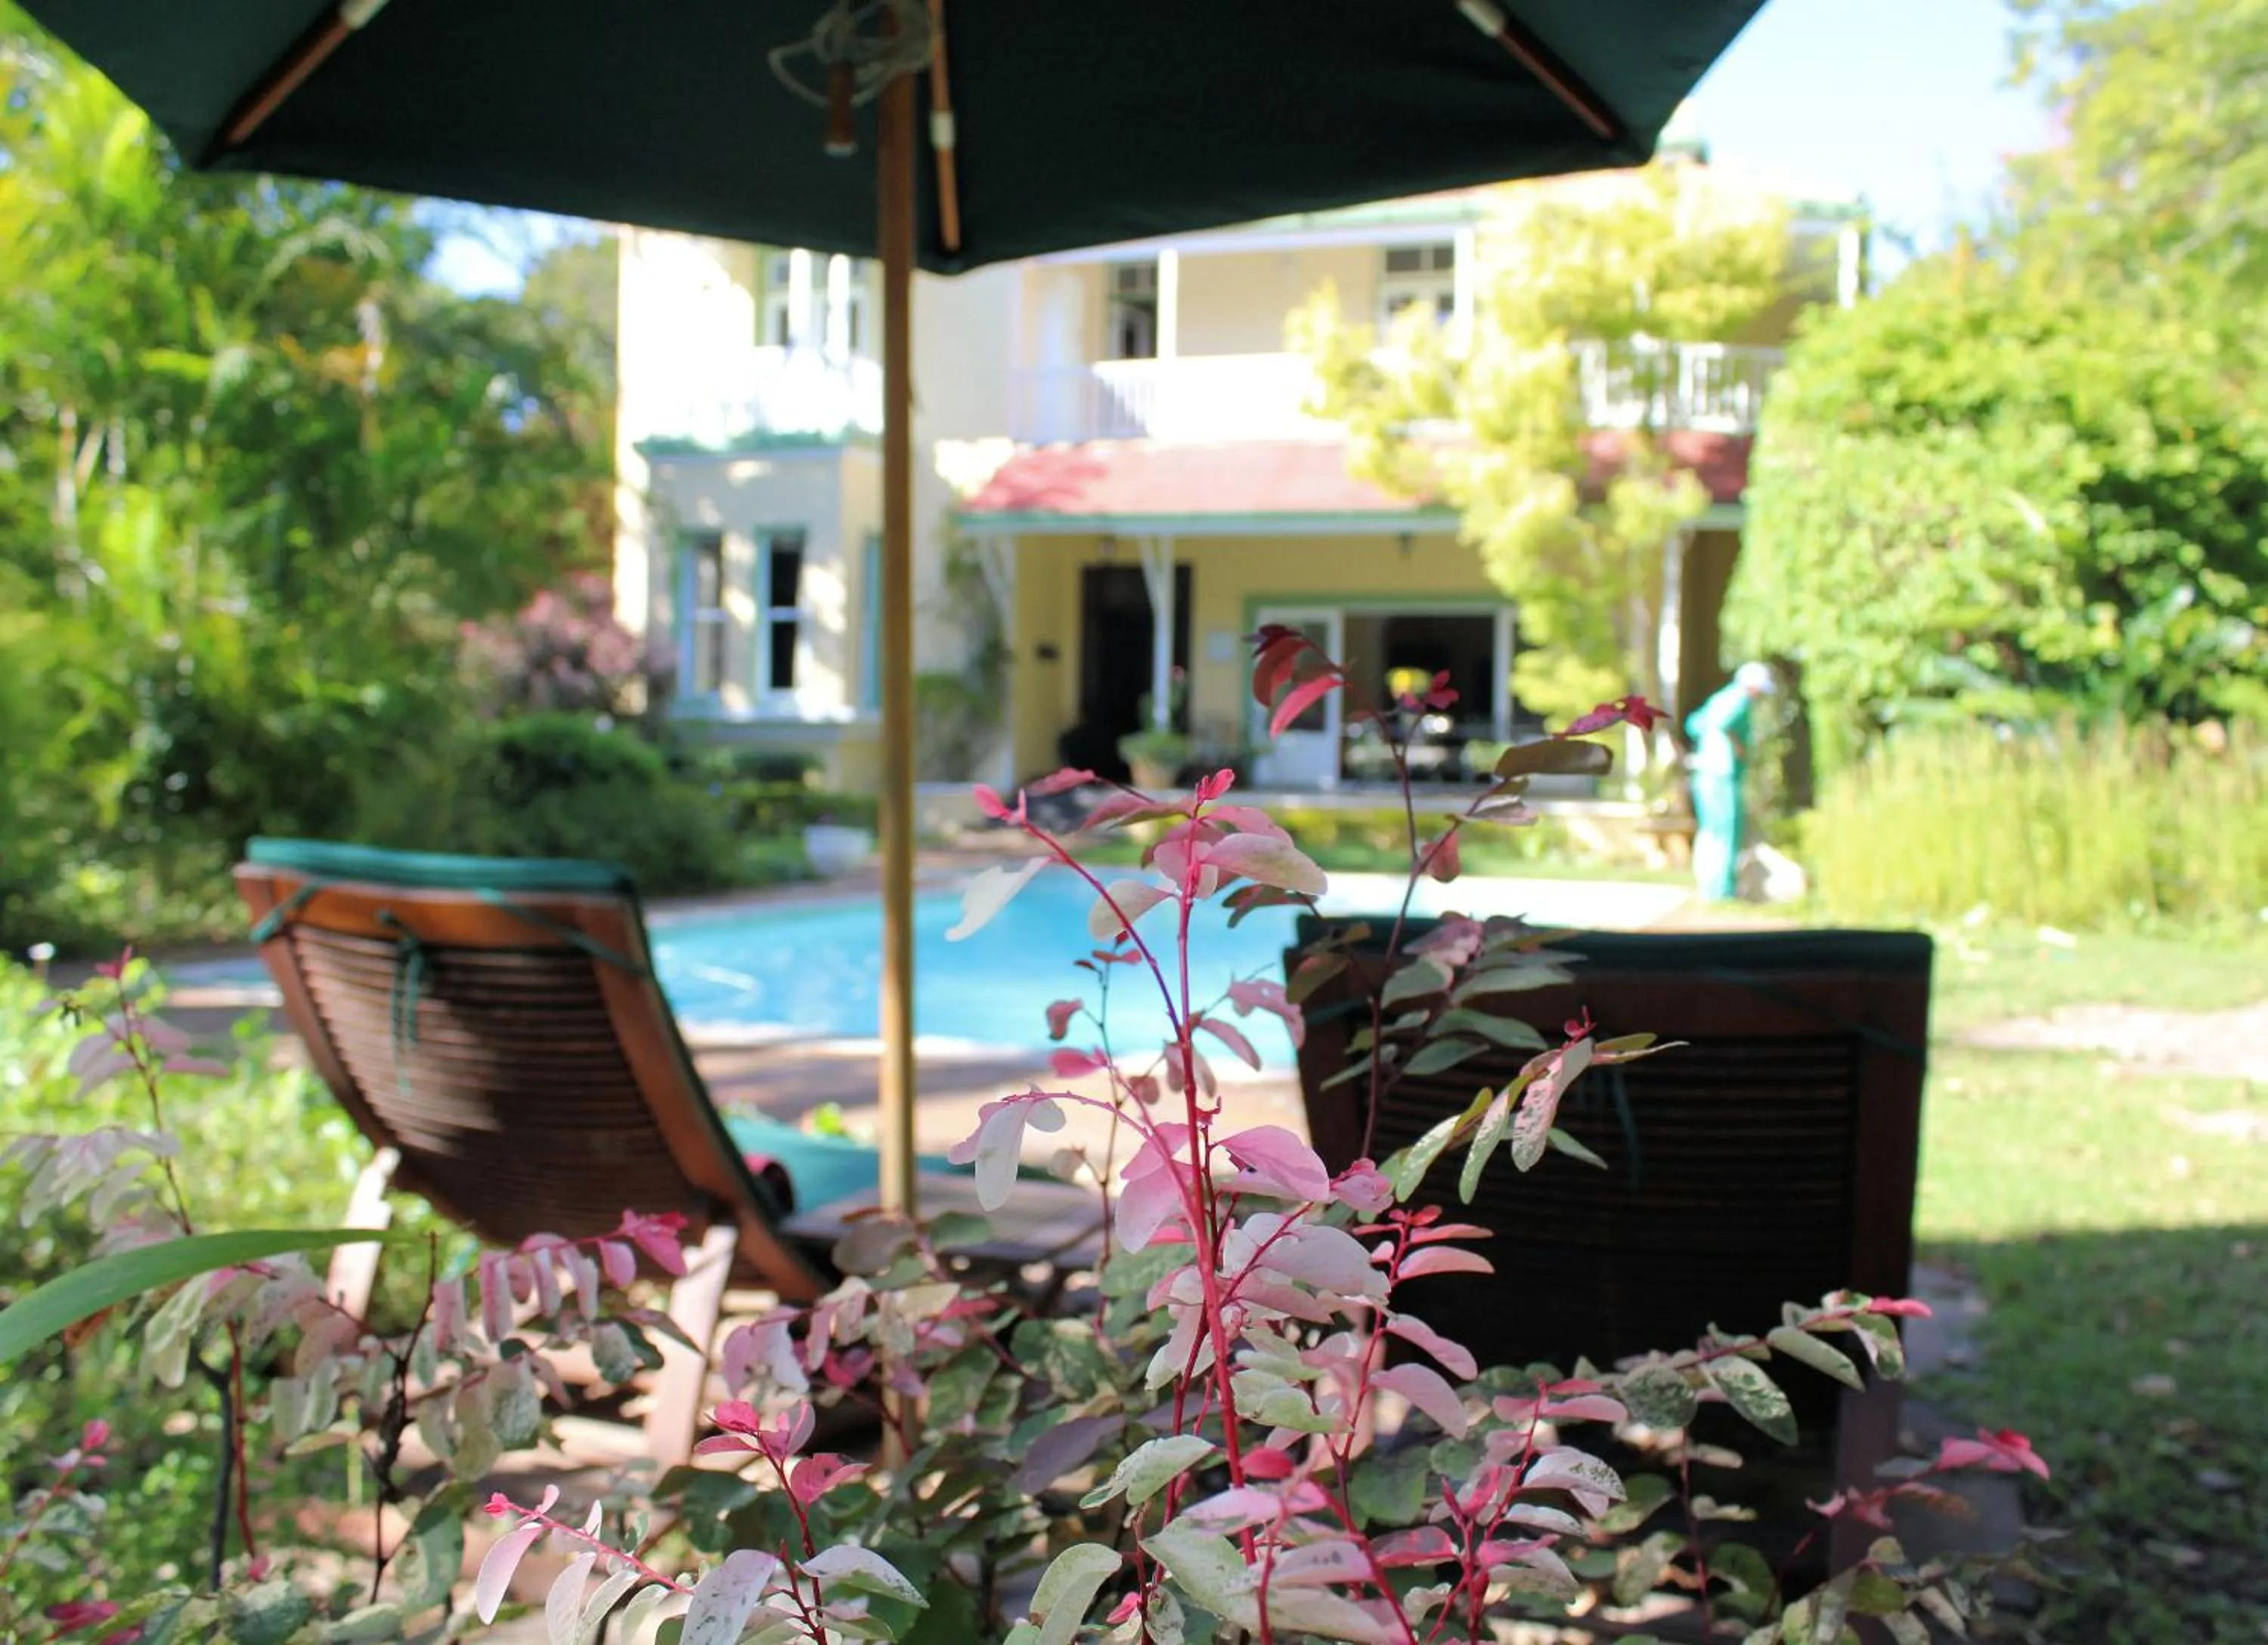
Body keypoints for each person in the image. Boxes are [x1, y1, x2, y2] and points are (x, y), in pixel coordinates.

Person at [1684, 661, 1776, 901]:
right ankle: (1721, 891)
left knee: (1711, 830)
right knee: (1726, 831)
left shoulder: (1720, 698)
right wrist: (1737, 745)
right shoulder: (1739, 700)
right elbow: (1722, 722)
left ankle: (1709, 887)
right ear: (1752, 686)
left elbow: (1694, 725)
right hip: (1722, 775)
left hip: (1706, 773)